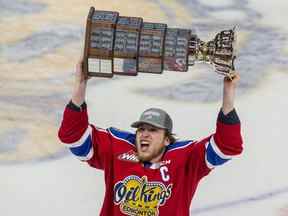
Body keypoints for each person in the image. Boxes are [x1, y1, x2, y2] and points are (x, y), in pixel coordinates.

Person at [58, 58, 243, 216]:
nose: (145, 133)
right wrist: (80, 85)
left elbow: (227, 146)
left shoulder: (184, 158)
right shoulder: (119, 148)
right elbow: (73, 137)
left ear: (167, 140)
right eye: (141, 129)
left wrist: (228, 94)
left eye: (153, 130)